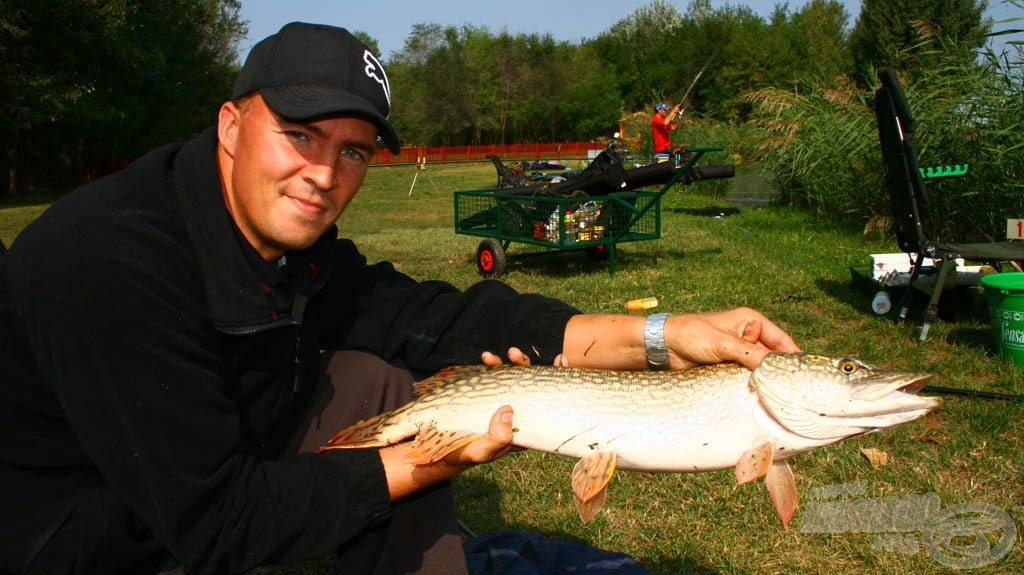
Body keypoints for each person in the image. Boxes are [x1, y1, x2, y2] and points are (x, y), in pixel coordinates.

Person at [0, 22, 800, 575]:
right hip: (77, 530)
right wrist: (421, 461)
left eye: (352, 151)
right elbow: (218, 521)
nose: (325, 174)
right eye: (301, 134)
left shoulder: (289, 245)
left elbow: (438, 315)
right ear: (232, 125)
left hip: (206, 456)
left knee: (378, 377)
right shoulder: (110, 263)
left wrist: (667, 334)